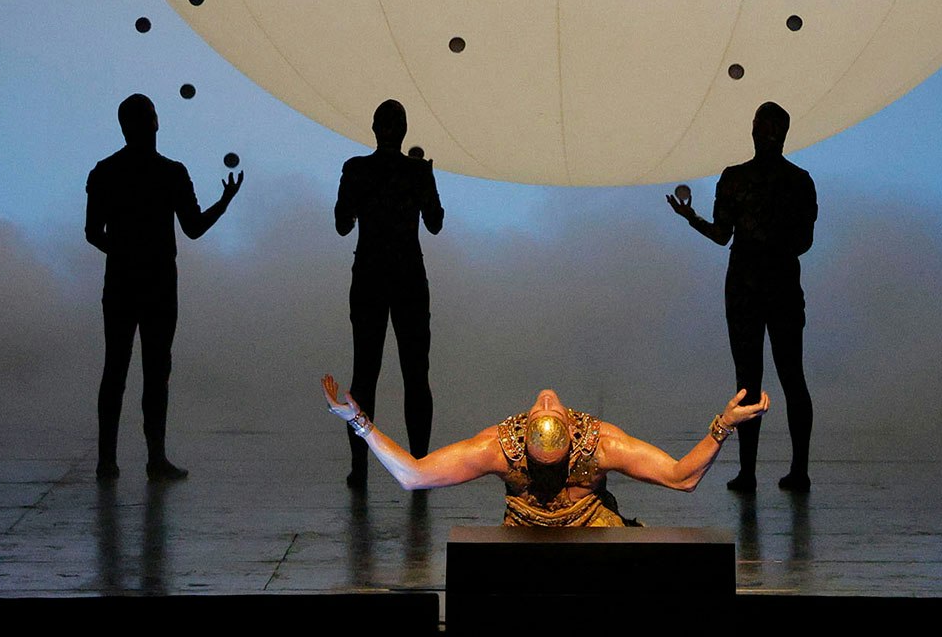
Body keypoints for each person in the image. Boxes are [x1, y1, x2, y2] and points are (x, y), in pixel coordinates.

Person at [322, 376, 769, 525]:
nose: (546, 397)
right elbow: (414, 476)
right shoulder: (502, 445)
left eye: (546, 407)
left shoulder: (600, 442)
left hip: (594, 526)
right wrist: (357, 423)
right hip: (525, 533)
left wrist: (722, 425)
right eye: (541, 409)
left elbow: (680, 477)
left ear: (573, 435)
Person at [85, 92, 243, 479]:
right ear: (155, 122)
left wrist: (121, 253)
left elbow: (92, 232)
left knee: (115, 368)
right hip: (158, 284)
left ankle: (108, 460)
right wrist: (224, 202)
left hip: (121, 281)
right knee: (156, 371)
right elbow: (192, 228)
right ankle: (156, 458)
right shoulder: (171, 172)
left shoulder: (105, 171)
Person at [665, 100, 816, 492]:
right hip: (770, 287)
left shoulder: (744, 179)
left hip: (753, 288)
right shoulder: (795, 181)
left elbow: (724, 235)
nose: (761, 133)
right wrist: (692, 217)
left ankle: (763, 472)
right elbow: (800, 241)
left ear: (776, 133)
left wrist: (693, 218)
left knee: (765, 380)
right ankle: (776, 471)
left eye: (765, 127)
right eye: (760, 126)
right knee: (775, 379)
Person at [334, 99, 443, 486]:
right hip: (410, 280)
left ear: (375, 127)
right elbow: (435, 224)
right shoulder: (417, 173)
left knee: (364, 373)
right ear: (404, 130)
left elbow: (342, 225)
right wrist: (426, 179)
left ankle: (360, 467)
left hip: (369, 279)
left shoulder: (356, 169)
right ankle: (420, 463)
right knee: (416, 374)